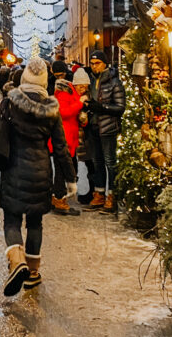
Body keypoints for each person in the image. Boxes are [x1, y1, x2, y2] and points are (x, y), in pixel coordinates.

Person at [0, 57, 76, 296]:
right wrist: (70, 179)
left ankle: (16, 259)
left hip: (13, 170)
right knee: (34, 222)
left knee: (11, 221)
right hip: (41, 172)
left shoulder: (10, 104)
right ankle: (32, 273)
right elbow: (61, 147)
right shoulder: (51, 109)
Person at [85, 49, 126, 214]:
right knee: (97, 163)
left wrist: (101, 107)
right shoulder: (90, 80)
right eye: (92, 64)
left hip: (108, 127)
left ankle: (112, 196)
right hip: (93, 126)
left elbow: (120, 107)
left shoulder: (114, 82)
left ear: (105, 64)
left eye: (97, 63)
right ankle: (100, 193)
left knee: (110, 162)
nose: (94, 67)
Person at [50, 60, 84, 216]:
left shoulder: (66, 88)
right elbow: (64, 112)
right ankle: (59, 198)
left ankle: (59, 197)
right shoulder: (64, 91)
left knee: (62, 167)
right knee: (61, 168)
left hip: (67, 133)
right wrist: (80, 104)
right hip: (64, 135)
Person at [71, 67, 94, 205]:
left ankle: (91, 192)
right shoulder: (74, 97)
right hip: (77, 137)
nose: (83, 89)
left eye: (85, 86)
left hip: (86, 137)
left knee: (90, 163)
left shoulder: (88, 96)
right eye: (80, 86)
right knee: (79, 163)